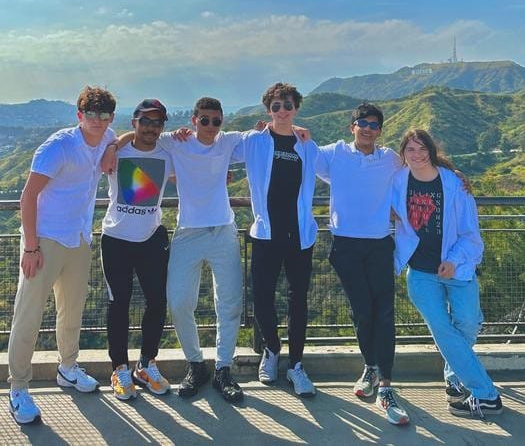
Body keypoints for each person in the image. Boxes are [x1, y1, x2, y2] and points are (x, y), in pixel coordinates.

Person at [105, 96, 247, 403]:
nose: (210, 126)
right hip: (183, 233)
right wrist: (114, 145)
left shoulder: (226, 142)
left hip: (221, 231)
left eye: (216, 121)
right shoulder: (174, 142)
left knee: (230, 304)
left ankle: (223, 368)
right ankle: (196, 365)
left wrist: (292, 126)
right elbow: (136, 136)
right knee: (179, 303)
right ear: (193, 120)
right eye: (204, 120)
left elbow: (266, 138)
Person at [8, 86, 116, 425]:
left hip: (79, 238)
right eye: (92, 114)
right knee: (29, 315)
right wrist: (30, 246)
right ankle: (18, 388)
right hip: (46, 240)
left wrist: (113, 146)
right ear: (79, 115)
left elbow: (119, 137)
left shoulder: (106, 134)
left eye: (105, 114)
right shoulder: (58, 148)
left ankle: (67, 368)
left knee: (73, 310)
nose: (99, 121)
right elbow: (27, 199)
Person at [392, 128, 503, 419]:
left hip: (457, 269)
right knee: (442, 329)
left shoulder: (453, 183)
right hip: (420, 272)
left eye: (421, 149)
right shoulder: (396, 182)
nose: (416, 155)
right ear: (403, 153)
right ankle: (485, 394)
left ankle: (453, 376)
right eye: (410, 150)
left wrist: (453, 260)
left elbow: (470, 233)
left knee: (467, 324)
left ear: (431, 150)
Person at [315, 103, 410, 425]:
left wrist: (459, 177)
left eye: (374, 124)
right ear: (351, 126)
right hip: (345, 245)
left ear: (380, 130)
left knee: (384, 312)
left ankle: (385, 384)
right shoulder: (333, 154)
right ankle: (370, 367)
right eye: (362, 123)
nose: (368, 128)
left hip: (381, 244)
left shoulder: (391, 160)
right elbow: (298, 153)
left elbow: (424, 167)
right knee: (362, 311)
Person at [232, 82, 318, 397]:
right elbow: (216, 147)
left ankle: (296, 365)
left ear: (296, 108)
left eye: (288, 105)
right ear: (268, 110)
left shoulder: (307, 144)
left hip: (300, 235)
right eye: (276, 106)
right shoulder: (254, 141)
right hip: (266, 233)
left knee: (299, 301)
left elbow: (337, 170)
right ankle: (271, 349)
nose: (282, 111)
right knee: (263, 297)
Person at [101, 99, 174, 400]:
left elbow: (201, 152)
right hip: (116, 239)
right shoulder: (116, 151)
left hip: (151, 237)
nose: (151, 127)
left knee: (157, 302)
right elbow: (102, 155)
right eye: (145, 121)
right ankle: (119, 367)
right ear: (134, 123)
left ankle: (146, 365)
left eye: (157, 122)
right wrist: (117, 143)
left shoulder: (169, 151)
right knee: (119, 304)